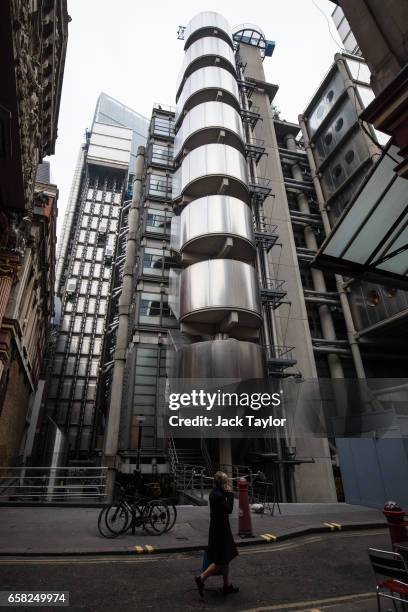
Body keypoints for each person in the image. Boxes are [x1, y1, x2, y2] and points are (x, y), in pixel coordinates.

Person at [195, 471, 239, 598]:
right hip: (220, 531)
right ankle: (201, 578)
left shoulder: (215, 493)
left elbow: (221, 497)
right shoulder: (217, 496)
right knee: (221, 560)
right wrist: (230, 494)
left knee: (226, 557)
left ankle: (226, 586)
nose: (227, 484)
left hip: (221, 528)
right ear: (222, 483)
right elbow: (229, 509)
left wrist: (226, 492)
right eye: (226, 482)